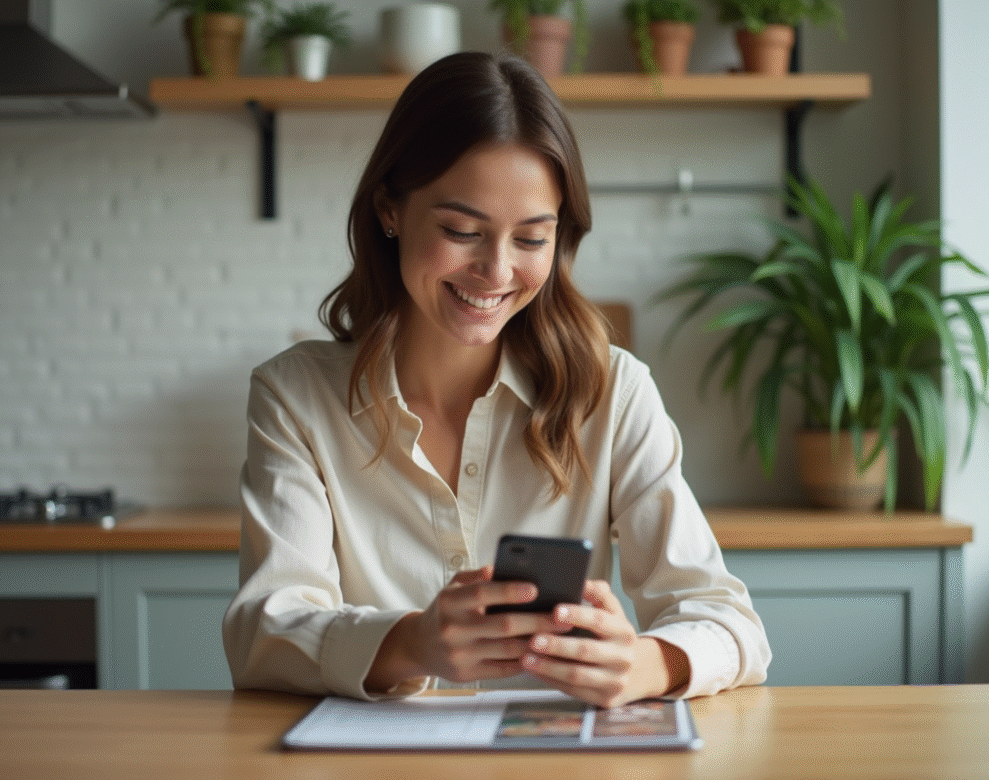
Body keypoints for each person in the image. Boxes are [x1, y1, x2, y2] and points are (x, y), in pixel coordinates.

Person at [222, 51, 770, 707]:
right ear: (389, 211)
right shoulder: (295, 396)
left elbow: (732, 625)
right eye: (462, 230)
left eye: (532, 239)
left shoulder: (614, 393)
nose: (496, 271)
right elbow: (262, 631)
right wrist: (412, 644)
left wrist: (644, 666)